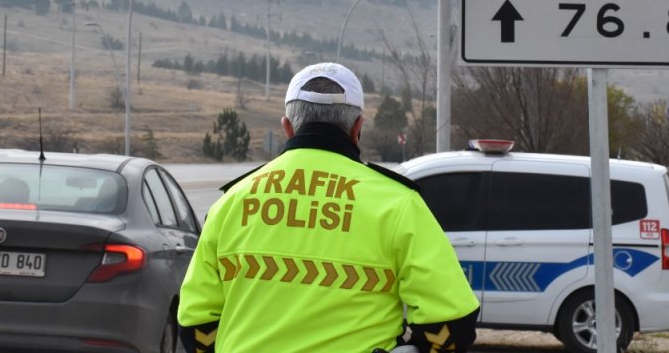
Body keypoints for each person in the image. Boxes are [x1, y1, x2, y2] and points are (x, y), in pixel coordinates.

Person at [177, 62, 479, 352]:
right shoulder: (397, 203)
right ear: (357, 128)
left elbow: (195, 322)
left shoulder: (231, 202)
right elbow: (451, 323)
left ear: (287, 127)